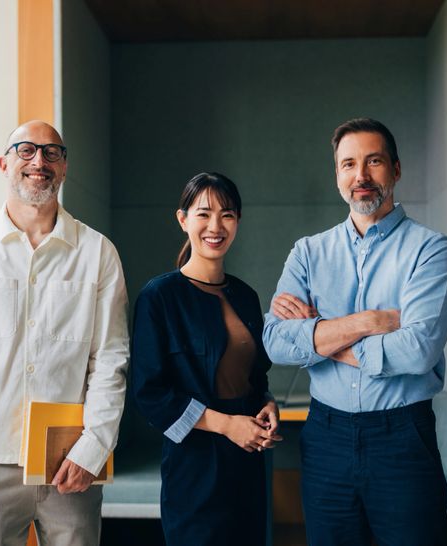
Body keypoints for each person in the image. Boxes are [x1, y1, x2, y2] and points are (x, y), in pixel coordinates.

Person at [0, 120, 129, 545]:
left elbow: (110, 359)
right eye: (26, 150)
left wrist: (93, 448)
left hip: (69, 465)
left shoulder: (97, 253)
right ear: (4, 163)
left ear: (64, 168)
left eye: (52, 152)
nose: (40, 160)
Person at [263, 118, 447, 545]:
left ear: (396, 169)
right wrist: (366, 323)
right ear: (337, 175)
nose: (361, 176)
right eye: (348, 164)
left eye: (374, 162)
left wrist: (317, 335)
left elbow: (417, 350)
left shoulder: (431, 249)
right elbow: (276, 341)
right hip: (326, 438)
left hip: (403, 439)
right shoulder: (308, 252)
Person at [131, 172, 282, 545]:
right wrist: (228, 425)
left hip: (248, 460)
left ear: (238, 222)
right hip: (195, 465)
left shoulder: (245, 296)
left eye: (227, 215)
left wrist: (268, 403)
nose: (216, 226)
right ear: (183, 220)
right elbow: (150, 393)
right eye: (204, 214)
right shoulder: (159, 297)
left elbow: (255, 375)